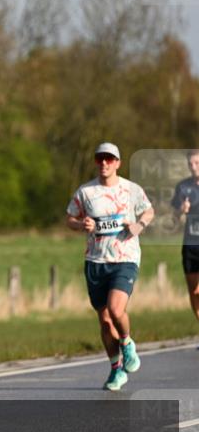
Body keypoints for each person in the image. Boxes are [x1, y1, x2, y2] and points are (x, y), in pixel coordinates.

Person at [66, 142, 154, 391]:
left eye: (109, 159)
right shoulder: (86, 192)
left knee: (116, 310)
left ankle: (127, 343)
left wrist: (139, 225)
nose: (104, 163)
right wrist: (81, 224)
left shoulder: (130, 189)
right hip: (95, 261)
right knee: (105, 321)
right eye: (100, 159)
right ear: (96, 162)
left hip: (124, 258)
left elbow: (149, 211)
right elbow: (70, 218)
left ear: (117, 162)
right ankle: (116, 370)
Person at [170, 149, 199, 322]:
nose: (194, 167)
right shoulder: (183, 187)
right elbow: (174, 217)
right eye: (190, 164)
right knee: (194, 291)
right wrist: (181, 210)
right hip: (190, 244)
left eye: (197, 163)